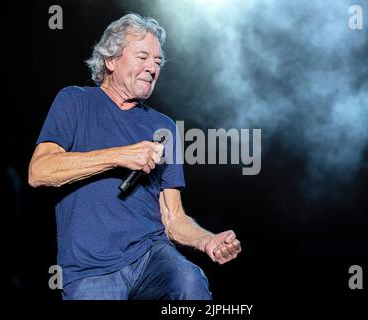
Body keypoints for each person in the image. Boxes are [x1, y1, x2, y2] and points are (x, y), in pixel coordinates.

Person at [28, 13, 241, 300]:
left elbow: (173, 216)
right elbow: (39, 171)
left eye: (157, 61)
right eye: (143, 57)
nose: (152, 68)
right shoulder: (74, 101)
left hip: (150, 255)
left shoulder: (163, 126)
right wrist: (120, 155)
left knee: (190, 282)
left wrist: (207, 241)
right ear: (111, 60)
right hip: (90, 268)